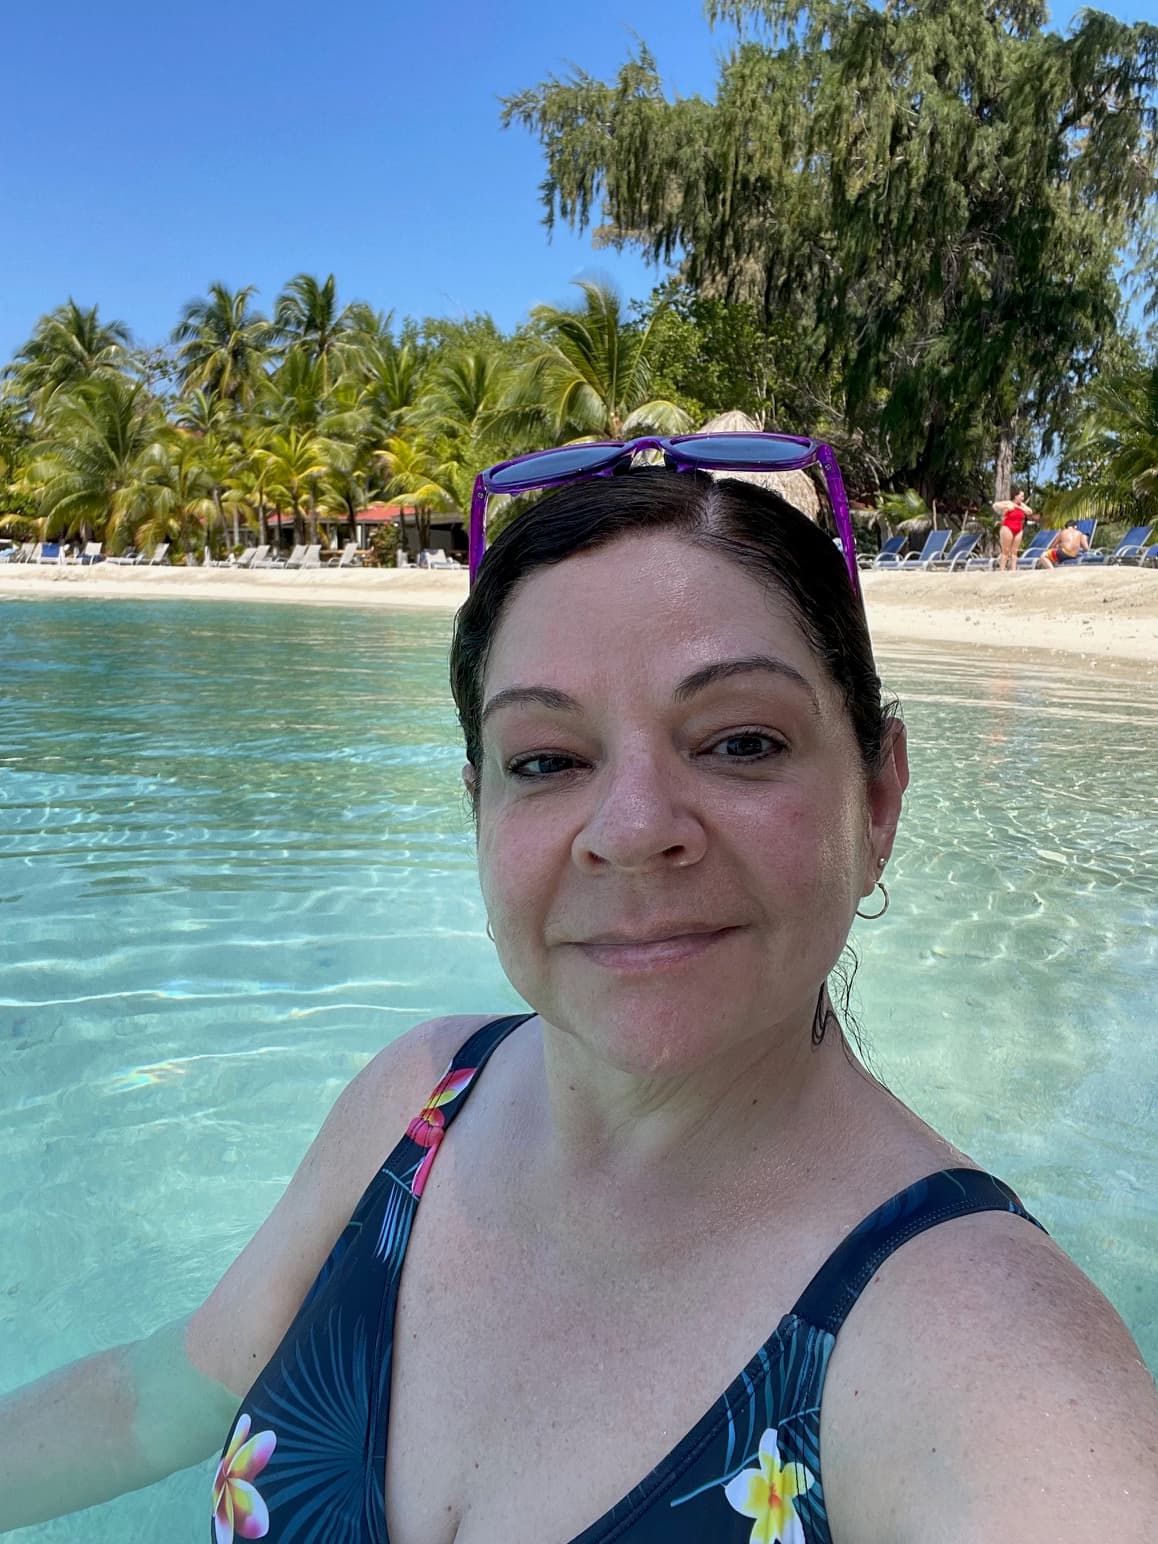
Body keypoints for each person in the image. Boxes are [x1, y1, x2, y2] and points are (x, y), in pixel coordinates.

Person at [3, 451, 1156, 1544]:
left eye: (742, 740)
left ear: (880, 797)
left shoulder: (994, 1361)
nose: (634, 829)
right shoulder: (420, 1102)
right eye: (547, 759)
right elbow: (166, 1392)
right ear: (479, 808)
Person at [993, 487, 1037, 570]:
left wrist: (1019, 507)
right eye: (1021, 496)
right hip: (1008, 527)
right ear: (1016, 496)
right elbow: (995, 505)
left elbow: (1030, 511)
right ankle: (1002, 569)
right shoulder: (1008, 503)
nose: (1022, 498)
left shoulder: (1022, 505)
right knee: (1005, 551)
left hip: (1018, 528)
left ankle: (1014, 570)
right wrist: (1006, 507)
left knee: (1014, 551)